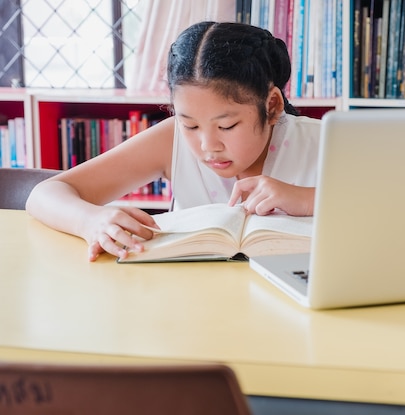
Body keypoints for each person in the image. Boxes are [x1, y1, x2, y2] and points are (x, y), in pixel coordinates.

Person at [25, 21, 321, 262]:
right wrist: (89, 221)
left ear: (271, 106)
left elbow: (369, 215)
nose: (208, 145)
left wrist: (309, 200)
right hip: (188, 306)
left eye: (227, 125)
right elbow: (45, 194)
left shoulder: (322, 141)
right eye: (189, 123)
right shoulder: (170, 139)